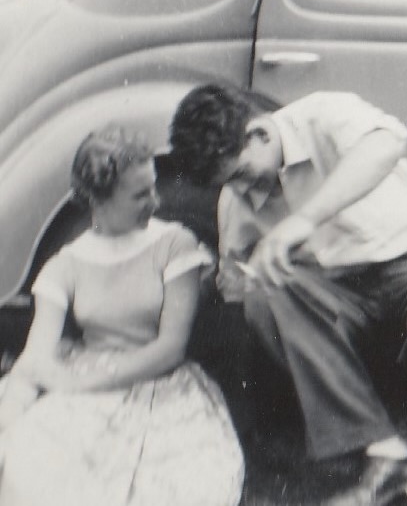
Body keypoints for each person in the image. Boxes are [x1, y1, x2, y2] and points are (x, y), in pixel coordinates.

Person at [169, 84, 407, 504]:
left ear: (260, 133)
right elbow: (236, 278)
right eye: (230, 184)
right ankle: (388, 457)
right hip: (340, 289)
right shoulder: (236, 197)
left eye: (242, 174)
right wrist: (228, 277)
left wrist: (302, 222)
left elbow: (385, 148)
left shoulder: (323, 113)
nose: (244, 191)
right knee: (264, 300)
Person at [0, 126, 244, 506]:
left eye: (153, 187)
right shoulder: (67, 264)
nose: (156, 201)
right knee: (35, 472)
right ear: (99, 199)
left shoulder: (173, 243)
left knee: (180, 487)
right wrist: (12, 413)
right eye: (140, 194)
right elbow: (37, 357)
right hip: (84, 381)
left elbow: (170, 347)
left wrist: (85, 385)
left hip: (159, 384)